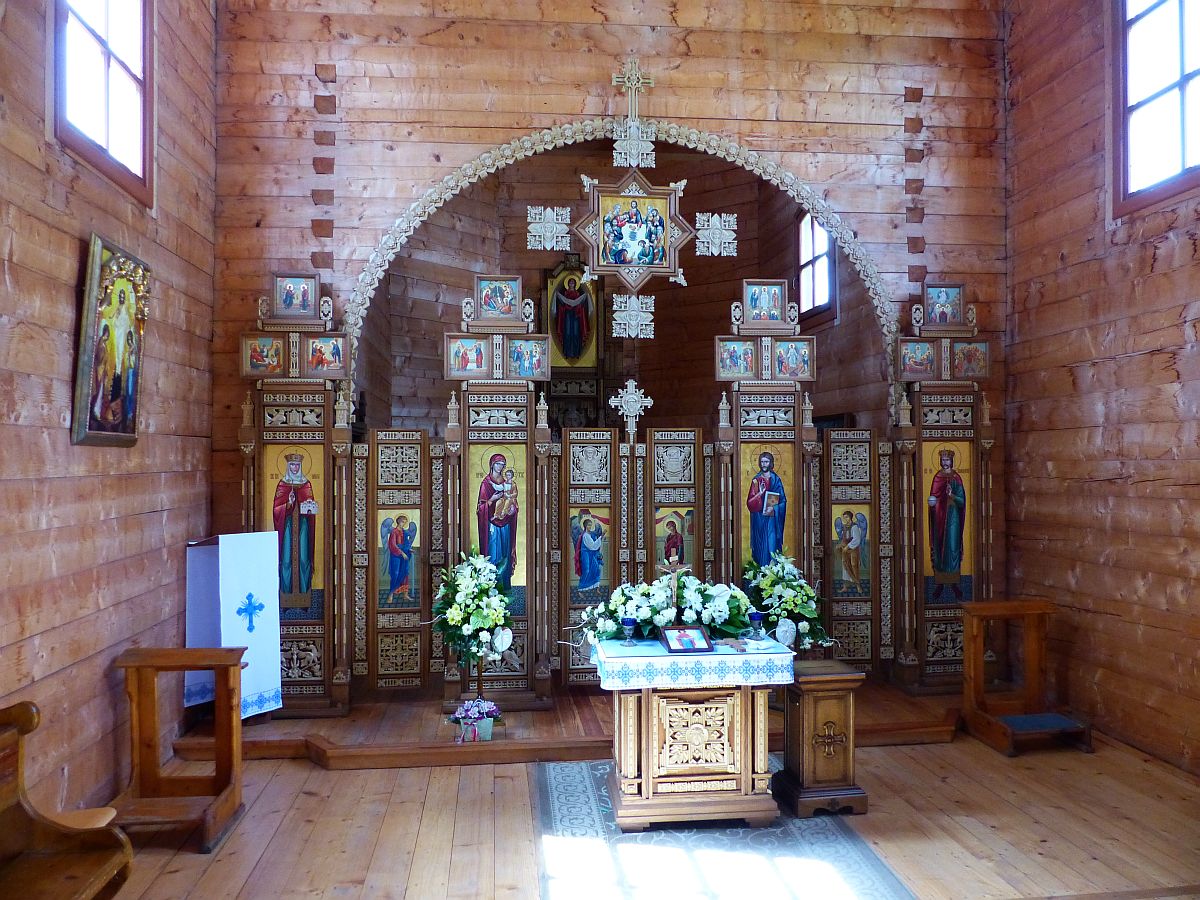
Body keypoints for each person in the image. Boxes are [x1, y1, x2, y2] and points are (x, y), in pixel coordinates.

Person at [273, 451, 318, 598]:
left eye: (297, 465)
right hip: (286, 527)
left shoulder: (306, 484)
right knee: (286, 559)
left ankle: (304, 592)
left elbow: (311, 508)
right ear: (287, 466)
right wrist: (288, 503)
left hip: (303, 526)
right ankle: (285, 592)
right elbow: (276, 509)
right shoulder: (282, 485)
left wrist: (308, 505)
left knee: (303, 558)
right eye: (291, 464)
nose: (294, 468)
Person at [928, 449, 966, 599]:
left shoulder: (957, 478)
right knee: (939, 550)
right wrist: (932, 503)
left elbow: (962, 502)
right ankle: (940, 583)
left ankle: (954, 583)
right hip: (939, 518)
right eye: (943, 460)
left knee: (952, 549)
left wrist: (952, 496)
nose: (945, 463)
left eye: (947, 460)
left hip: (953, 521)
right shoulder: (937, 477)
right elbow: (933, 497)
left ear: (952, 461)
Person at [477, 454, 518, 590]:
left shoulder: (508, 482)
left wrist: (513, 509)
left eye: (502, 464)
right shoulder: (486, 483)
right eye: (498, 463)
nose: (500, 467)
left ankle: (505, 585)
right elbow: (480, 507)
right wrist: (492, 499)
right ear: (492, 464)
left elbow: (513, 501)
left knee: (505, 551)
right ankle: (492, 585)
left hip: (505, 524)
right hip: (491, 524)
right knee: (494, 553)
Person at [746, 451, 786, 566]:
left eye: (766, 462)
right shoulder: (756, 480)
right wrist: (760, 493)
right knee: (760, 548)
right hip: (758, 518)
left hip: (772, 519)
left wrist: (774, 509)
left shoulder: (776, 480)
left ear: (771, 463)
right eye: (762, 462)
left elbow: (783, 500)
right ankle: (761, 570)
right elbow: (750, 503)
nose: (764, 464)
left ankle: (772, 568)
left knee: (771, 544)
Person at [385, 515, 417, 600]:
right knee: (395, 574)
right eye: (403, 521)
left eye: (405, 522)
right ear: (398, 521)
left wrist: (409, 549)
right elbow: (392, 545)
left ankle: (405, 595)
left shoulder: (404, 532)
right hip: (396, 556)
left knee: (405, 573)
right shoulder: (394, 532)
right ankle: (391, 594)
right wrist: (401, 553)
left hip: (404, 555)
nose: (404, 523)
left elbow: (406, 544)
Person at [573, 516, 604, 591]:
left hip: (591, 555)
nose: (590, 526)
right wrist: (601, 536)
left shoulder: (591, 534)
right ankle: (581, 588)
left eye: (591, 525)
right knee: (586, 570)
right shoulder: (585, 535)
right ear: (585, 526)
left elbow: (594, 546)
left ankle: (596, 588)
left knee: (596, 569)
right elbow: (593, 546)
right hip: (586, 555)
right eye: (588, 525)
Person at [837, 510, 863, 587]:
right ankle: (845, 586)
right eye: (844, 517)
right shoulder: (844, 526)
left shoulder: (854, 527)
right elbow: (844, 538)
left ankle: (858, 586)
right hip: (845, 550)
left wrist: (848, 546)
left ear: (850, 517)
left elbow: (857, 539)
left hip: (853, 550)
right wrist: (841, 545)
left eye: (847, 517)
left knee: (854, 566)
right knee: (845, 567)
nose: (845, 519)